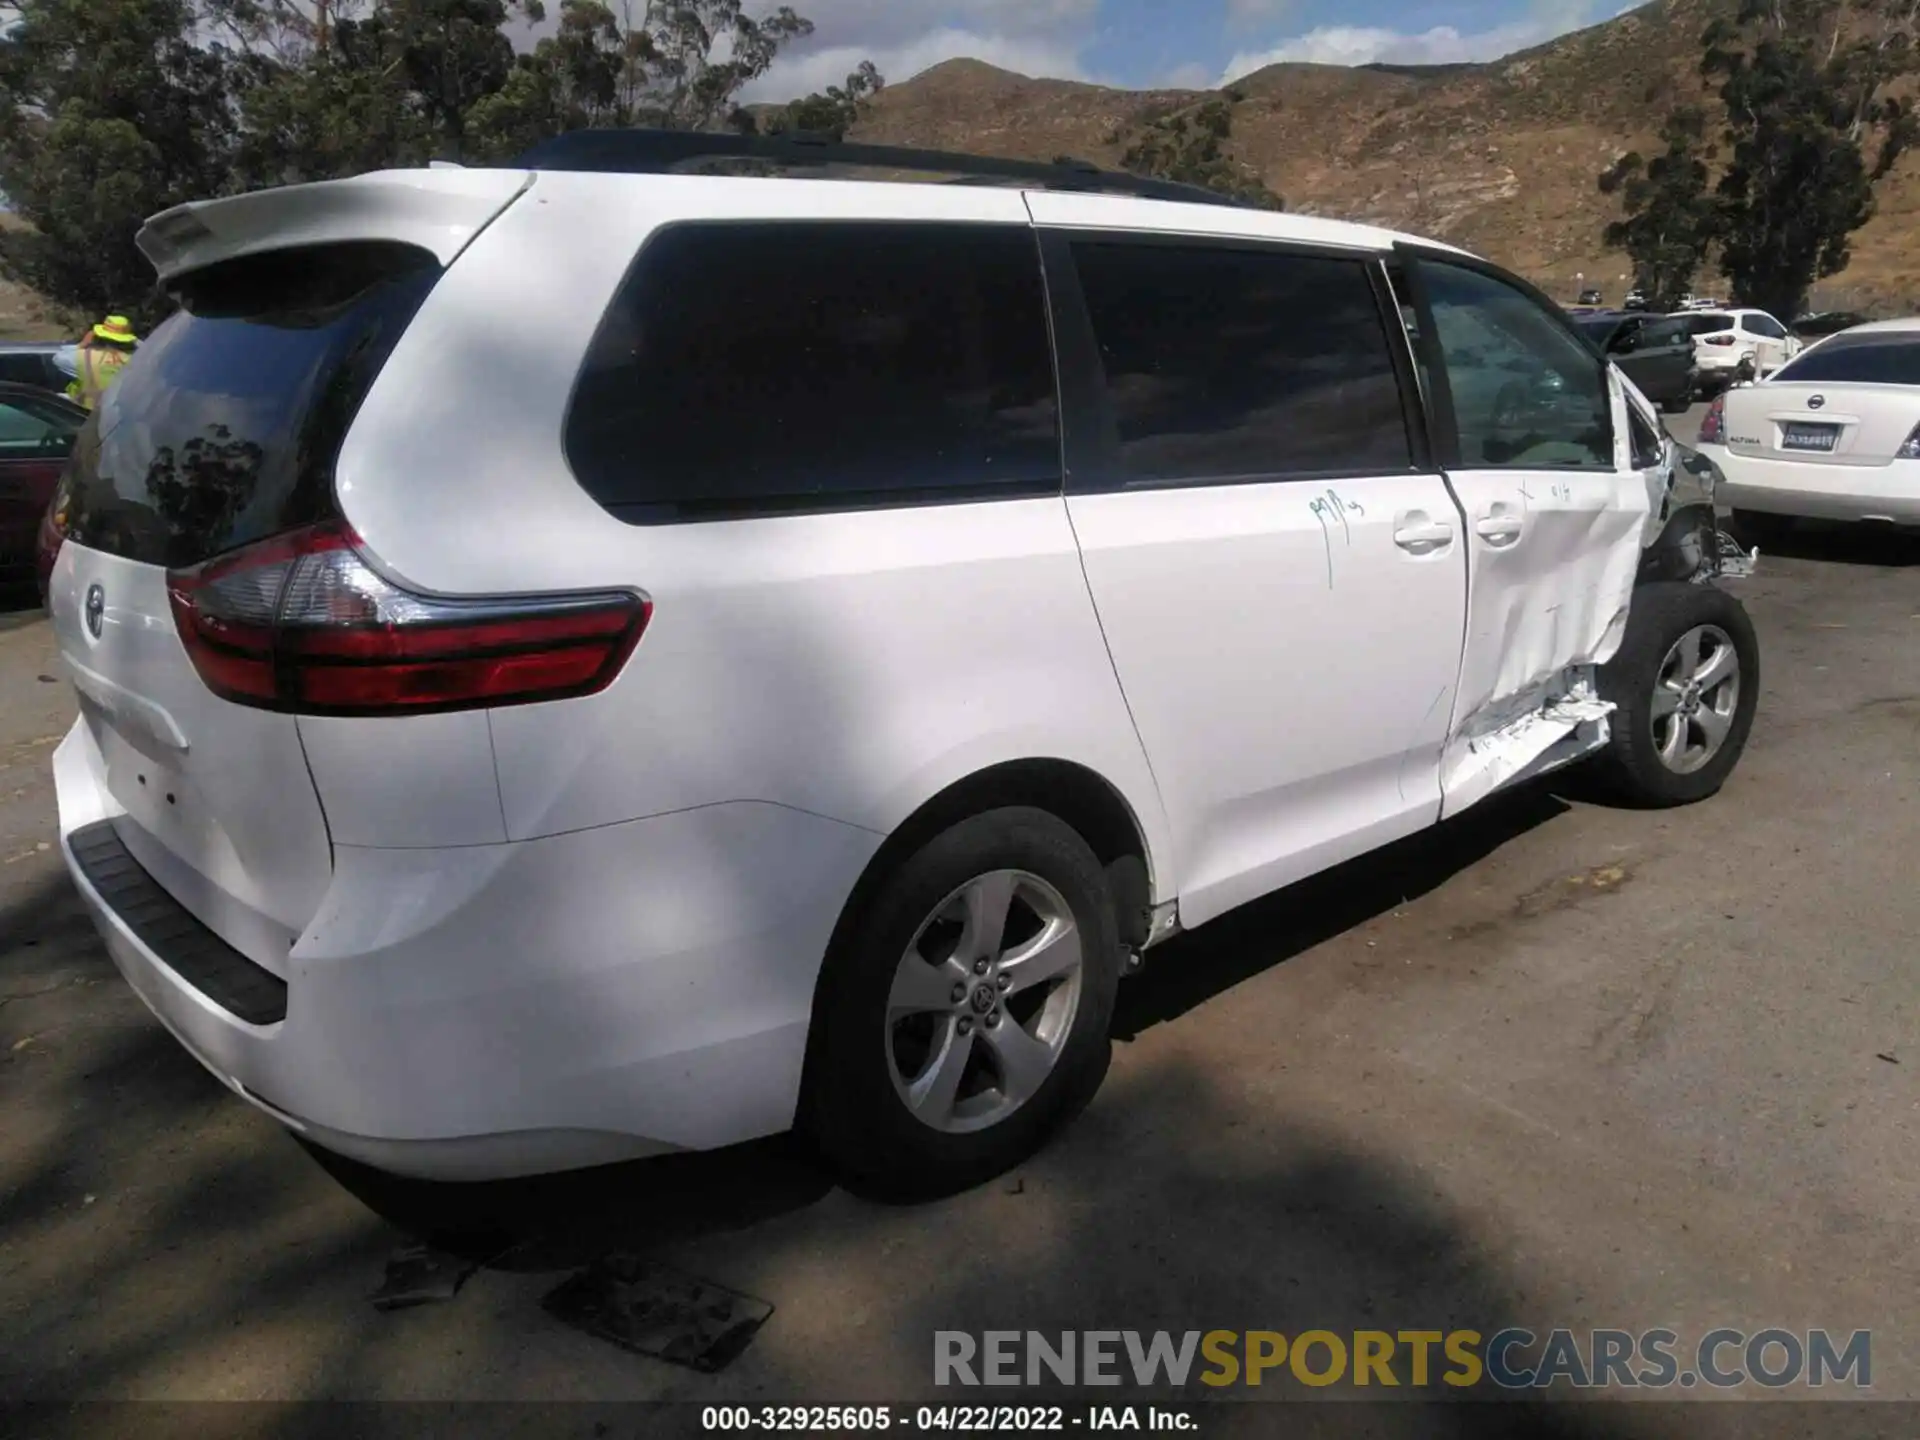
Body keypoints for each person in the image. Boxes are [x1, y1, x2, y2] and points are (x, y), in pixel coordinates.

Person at [68, 314, 138, 410]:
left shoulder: (82, 356)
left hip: (86, 410)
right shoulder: (136, 360)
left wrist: (81, 344)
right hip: (117, 412)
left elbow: (58, 358)